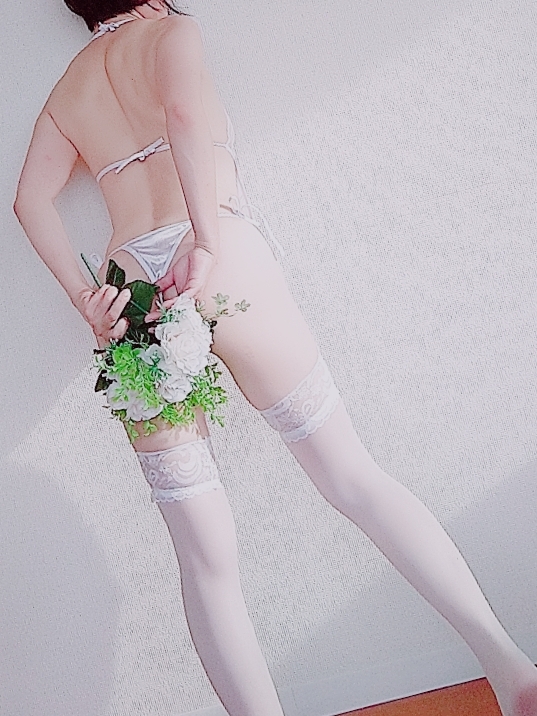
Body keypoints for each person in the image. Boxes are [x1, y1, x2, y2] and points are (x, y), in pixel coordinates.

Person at [13, 2, 537, 714]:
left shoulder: (70, 85)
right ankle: (509, 671)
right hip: (216, 256)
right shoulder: (171, 33)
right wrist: (205, 241)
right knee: (351, 475)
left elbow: (29, 200)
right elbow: (184, 116)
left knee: (203, 557)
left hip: (130, 290)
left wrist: (86, 299)